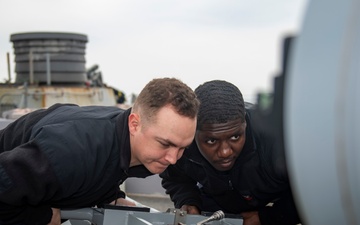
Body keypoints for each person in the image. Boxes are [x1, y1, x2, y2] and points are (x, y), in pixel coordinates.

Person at [0, 77, 199, 225]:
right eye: (164, 144)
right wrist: (41, 217)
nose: (173, 158)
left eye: (182, 148)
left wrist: (109, 197)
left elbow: (103, 165)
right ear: (135, 124)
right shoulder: (73, 152)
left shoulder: (124, 140)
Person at [160, 80, 302, 225]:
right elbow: (175, 178)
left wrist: (267, 218)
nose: (225, 152)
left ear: (245, 124)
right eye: (211, 141)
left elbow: (314, 192)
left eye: (235, 137)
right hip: (216, 204)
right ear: (195, 132)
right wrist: (188, 201)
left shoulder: (277, 139)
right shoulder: (184, 142)